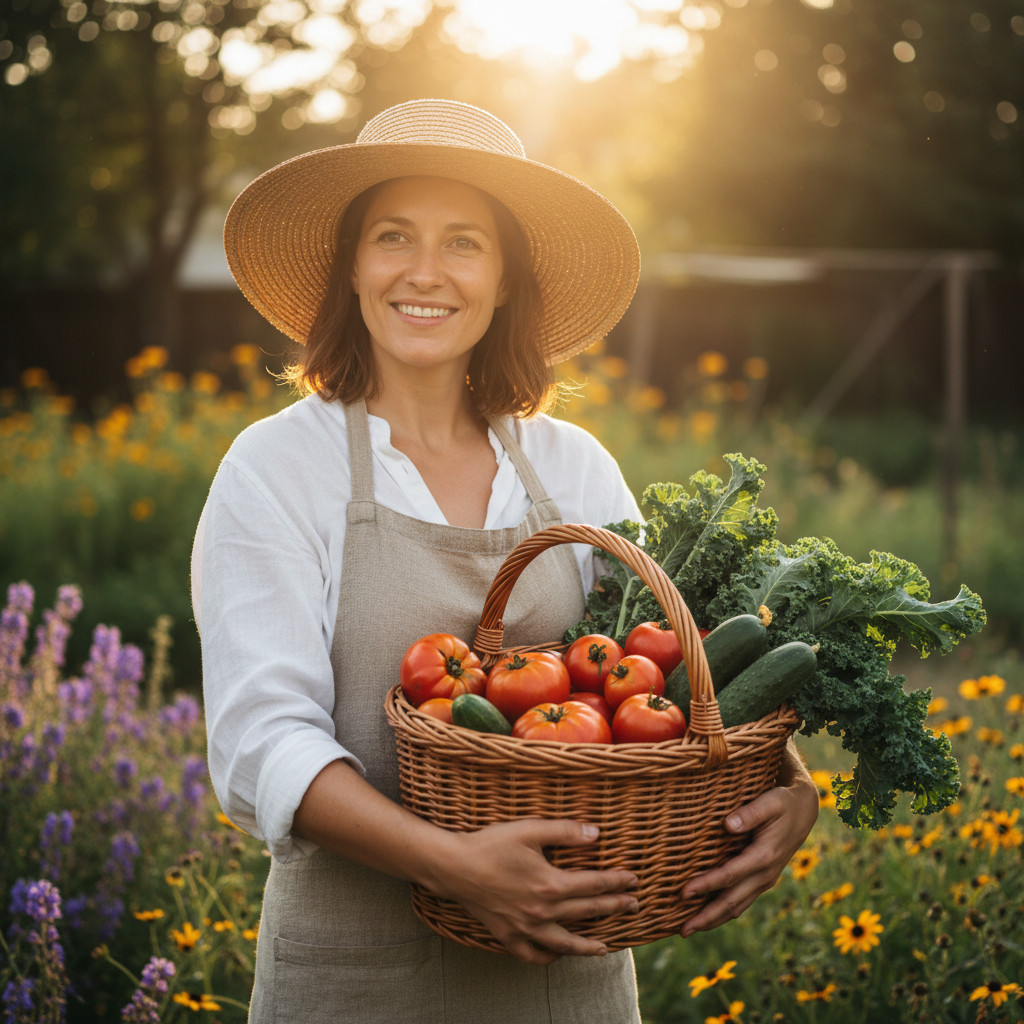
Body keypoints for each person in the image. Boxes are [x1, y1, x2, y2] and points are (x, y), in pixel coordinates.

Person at [192, 98, 819, 1023]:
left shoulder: (573, 467)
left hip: (568, 974)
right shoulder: (278, 467)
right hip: (353, 969)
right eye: (394, 236)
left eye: (465, 243)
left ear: (504, 280)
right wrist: (452, 865)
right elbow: (262, 742)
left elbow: (676, 667)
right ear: (353, 267)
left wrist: (791, 784)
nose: (425, 272)